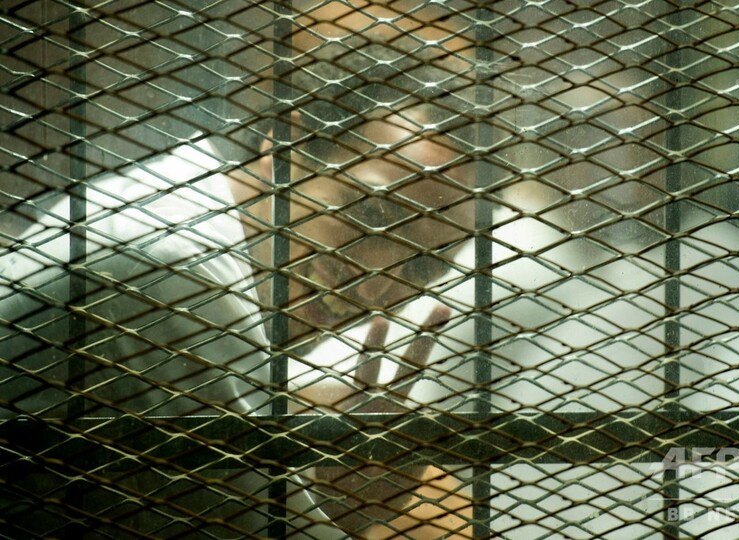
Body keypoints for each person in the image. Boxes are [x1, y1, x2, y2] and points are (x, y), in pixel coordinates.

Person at [0, 27, 477, 540]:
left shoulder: (177, 209)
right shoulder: (171, 267)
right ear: (285, 147)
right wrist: (341, 512)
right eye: (372, 215)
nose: (373, 290)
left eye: (426, 264)